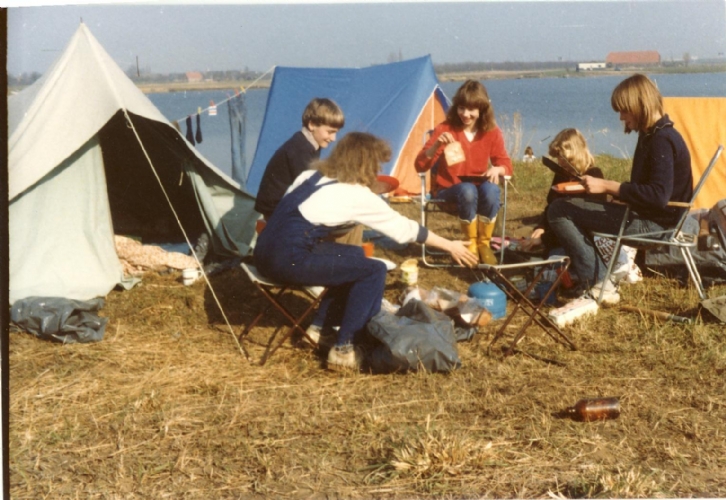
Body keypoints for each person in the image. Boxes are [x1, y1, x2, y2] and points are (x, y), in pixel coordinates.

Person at [254, 132, 478, 371]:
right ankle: (343, 350)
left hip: (264, 251)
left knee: (354, 256)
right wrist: (450, 245)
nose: (377, 169)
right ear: (366, 164)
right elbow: (404, 230)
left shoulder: (310, 176)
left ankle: (320, 329)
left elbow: (299, 218)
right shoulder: (356, 194)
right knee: (374, 270)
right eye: (376, 164)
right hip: (286, 260)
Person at [546, 74, 692, 305]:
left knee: (559, 210)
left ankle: (598, 283)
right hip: (657, 220)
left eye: (624, 111)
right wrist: (622, 198)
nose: (621, 117)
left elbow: (658, 195)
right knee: (574, 208)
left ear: (639, 105)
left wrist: (607, 186)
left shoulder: (661, 140)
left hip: (655, 228)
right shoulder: (652, 134)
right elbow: (653, 190)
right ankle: (599, 278)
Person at [415, 79, 513, 264]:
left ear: (482, 109)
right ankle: (471, 244)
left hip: (479, 195)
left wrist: (498, 169)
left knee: (492, 189)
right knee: (467, 189)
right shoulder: (445, 129)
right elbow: (420, 166)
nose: (465, 114)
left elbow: (506, 164)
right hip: (449, 193)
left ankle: (483, 244)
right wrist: (436, 145)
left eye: (471, 110)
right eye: (461, 108)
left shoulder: (491, 132)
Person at [254, 97, 344, 220]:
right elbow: (309, 185)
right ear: (312, 125)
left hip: (284, 204)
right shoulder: (300, 149)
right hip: (276, 210)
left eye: (336, 132)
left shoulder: (309, 144)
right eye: (330, 132)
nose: (334, 138)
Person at [521, 128, 603, 257]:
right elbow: (551, 206)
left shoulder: (593, 176)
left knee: (554, 256)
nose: (560, 162)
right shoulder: (562, 174)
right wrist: (541, 227)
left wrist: (544, 239)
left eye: (564, 159)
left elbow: (584, 223)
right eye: (558, 158)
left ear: (576, 155)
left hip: (580, 239)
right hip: (555, 235)